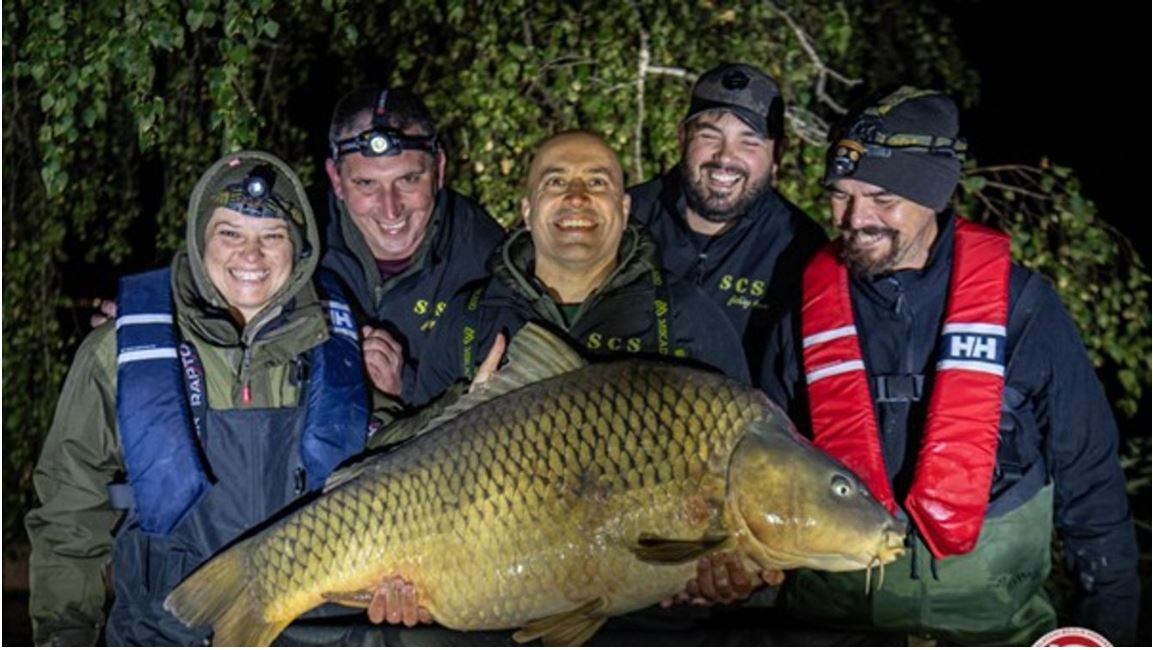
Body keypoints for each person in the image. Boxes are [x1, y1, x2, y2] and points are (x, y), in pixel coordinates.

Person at [757, 87, 1140, 645]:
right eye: (840, 195)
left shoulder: (1023, 307)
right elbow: (759, 469)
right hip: (833, 626)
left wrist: (1110, 628)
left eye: (882, 198)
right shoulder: (803, 313)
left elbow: (1092, 478)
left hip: (995, 631)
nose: (855, 218)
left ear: (934, 195)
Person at [25, 151, 373, 645]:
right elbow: (68, 511)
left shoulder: (338, 346)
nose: (250, 256)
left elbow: (392, 469)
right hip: (161, 635)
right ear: (198, 240)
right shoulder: (118, 352)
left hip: (314, 633)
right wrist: (65, 634)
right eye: (229, 234)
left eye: (272, 237)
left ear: (299, 250)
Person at [410, 130, 750, 408]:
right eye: (556, 183)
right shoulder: (467, 318)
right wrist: (460, 412)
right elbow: (401, 456)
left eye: (597, 183)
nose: (576, 197)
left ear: (625, 207)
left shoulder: (688, 319)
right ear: (528, 211)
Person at [629, 63, 827, 380]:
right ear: (682, 139)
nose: (724, 157)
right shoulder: (623, 218)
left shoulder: (800, 248)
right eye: (709, 135)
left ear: (777, 156)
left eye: (749, 142)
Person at [322, 85, 506, 403]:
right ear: (336, 180)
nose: (391, 208)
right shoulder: (296, 243)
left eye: (408, 180)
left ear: (439, 170)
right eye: (366, 183)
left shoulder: (488, 260)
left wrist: (404, 389)